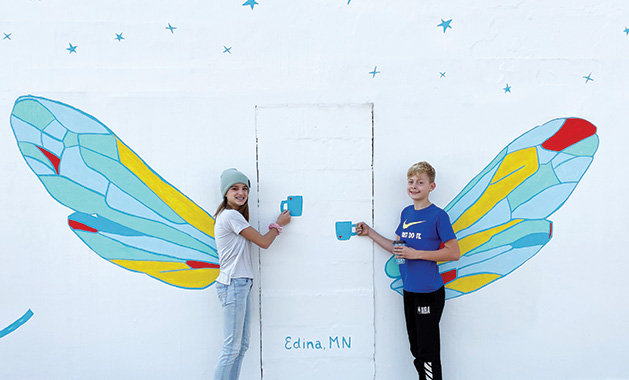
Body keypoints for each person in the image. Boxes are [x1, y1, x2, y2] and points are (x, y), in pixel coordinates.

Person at [355, 161, 460, 380]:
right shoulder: (406, 213)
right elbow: (398, 250)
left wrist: (417, 254)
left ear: (431, 187)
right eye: (411, 182)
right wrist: (370, 233)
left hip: (429, 293)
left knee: (427, 352)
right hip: (410, 291)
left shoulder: (438, 216)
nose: (414, 186)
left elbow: (453, 253)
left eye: (420, 182)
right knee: (416, 350)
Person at [213, 168, 291, 380]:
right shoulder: (230, 216)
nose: (241, 192)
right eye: (235, 188)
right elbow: (264, 242)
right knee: (231, 348)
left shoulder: (233, 216)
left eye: (244, 189)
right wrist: (279, 224)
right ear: (225, 194)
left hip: (240, 285)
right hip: (234, 285)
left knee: (241, 345)